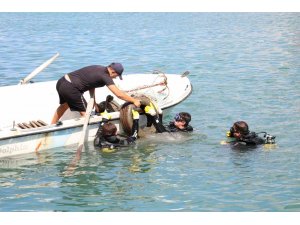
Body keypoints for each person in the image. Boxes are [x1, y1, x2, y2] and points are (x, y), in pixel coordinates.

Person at [51, 62, 141, 124]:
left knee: (64, 105)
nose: (115, 78)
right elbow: (118, 94)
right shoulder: (105, 76)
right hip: (71, 88)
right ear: (113, 71)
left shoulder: (98, 68)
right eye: (116, 76)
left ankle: (52, 125)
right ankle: (84, 131)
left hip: (62, 82)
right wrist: (134, 100)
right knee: (86, 114)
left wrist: (93, 102)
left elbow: (91, 83)